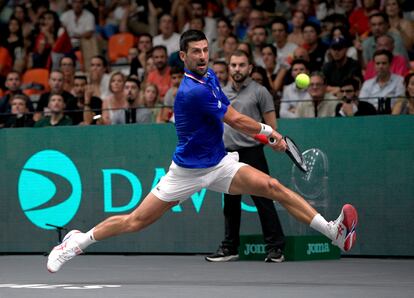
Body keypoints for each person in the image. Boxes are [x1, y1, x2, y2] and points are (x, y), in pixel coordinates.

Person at [46, 30, 358, 273]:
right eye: (196, 51)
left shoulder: (208, 76)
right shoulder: (191, 90)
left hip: (220, 163)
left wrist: (264, 139)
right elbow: (234, 119)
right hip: (187, 171)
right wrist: (268, 132)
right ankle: (76, 243)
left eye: (206, 50)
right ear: (183, 55)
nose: (203, 56)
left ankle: (333, 232)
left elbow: (231, 114)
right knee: (135, 221)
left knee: (273, 187)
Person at [205, 50, 285, 263]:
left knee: (264, 200)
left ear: (250, 68)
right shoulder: (220, 92)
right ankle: (230, 248)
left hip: (252, 153)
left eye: (242, 65)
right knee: (230, 203)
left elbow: (272, 128)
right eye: (233, 65)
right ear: (229, 68)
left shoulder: (260, 92)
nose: (237, 69)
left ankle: (276, 248)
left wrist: (264, 140)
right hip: (227, 155)